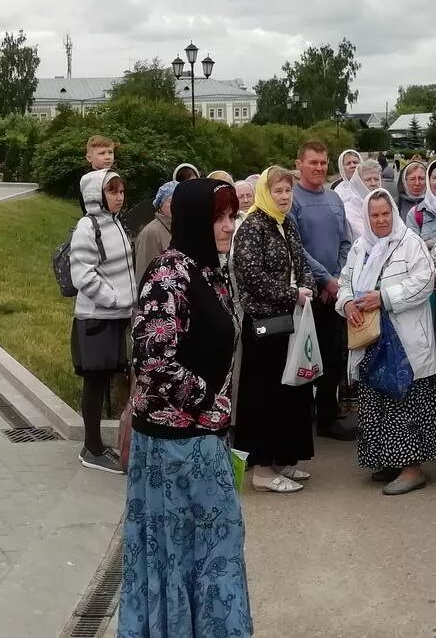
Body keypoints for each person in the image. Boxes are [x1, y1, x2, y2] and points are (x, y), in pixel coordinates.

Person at [120, 178, 251, 637]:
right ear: (195, 218)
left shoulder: (208, 271)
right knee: (178, 557)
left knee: (213, 554)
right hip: (172, 451)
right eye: (219, 217)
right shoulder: (167, 274)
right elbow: (153, 360)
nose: (229, 226)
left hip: (203, 444)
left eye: (233, 216)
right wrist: (206, 401)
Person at [337, 188, 436, 495]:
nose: (381, 219)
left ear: (394, 213)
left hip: (403, 341)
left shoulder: (410, 243)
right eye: (374, 215)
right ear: (366, 217)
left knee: (405, 402)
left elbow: (424, 282)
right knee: (376, 402)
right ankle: (389, 459)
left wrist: (383, 298)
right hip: (371, 337)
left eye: (386, 213)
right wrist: (346, 304)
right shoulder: (361, 247)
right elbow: (345, 281)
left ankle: (412, 468)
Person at [232, 167, 317, 492]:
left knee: (290, 394)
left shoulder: (286, 223)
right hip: (266, 325)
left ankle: (284, 458)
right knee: (265, 397)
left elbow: (302, 263)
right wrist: (291, 293)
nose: (284, 196)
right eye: (278, 191)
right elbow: (251, 276)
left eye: (287, 191)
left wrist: (305, 287)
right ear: (266, 192)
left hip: (291, 321)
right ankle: (263, 471)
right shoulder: (253, 227)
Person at [69, 169, 136, 474]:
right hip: (96, 317)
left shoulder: (115, 223)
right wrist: (113, 299)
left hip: (117, 316)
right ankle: (92, 448)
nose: (119, 197)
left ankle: (97, 446)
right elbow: (82, 274)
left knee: (106, 379)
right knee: (95, 383)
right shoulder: (88, 226)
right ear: (97, 194)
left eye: (121, 191)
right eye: (112, 191)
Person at [289, 141, 357, 441]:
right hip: (307, 292)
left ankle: (328, 417)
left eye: (322, 162)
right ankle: (301, 419)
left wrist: (337, 279)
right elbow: (296, 248)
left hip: (335, 291)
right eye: (312, 162)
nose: (318, 168)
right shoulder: (293, 200)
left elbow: (345, 242)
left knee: (332, 356)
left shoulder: (334, 199)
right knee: (302, 356)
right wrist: (324, 279)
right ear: (299, 164)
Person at [134, 181, 175, 281]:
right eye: (170, 201)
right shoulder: (151, 232)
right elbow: (144, 272)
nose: (176, 205)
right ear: (161, 205)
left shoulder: (179, 227)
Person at [409, 157, 436, 254]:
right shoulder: (415, 213)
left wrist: (428, 243)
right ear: (428, 180)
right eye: (435, 178)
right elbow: (411, 248)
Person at [397, 160, 427, 225]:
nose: (417, 183)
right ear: (404, 181)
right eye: (412, 179)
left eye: (421, 178)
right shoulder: (395, 204)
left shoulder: (434, 204)